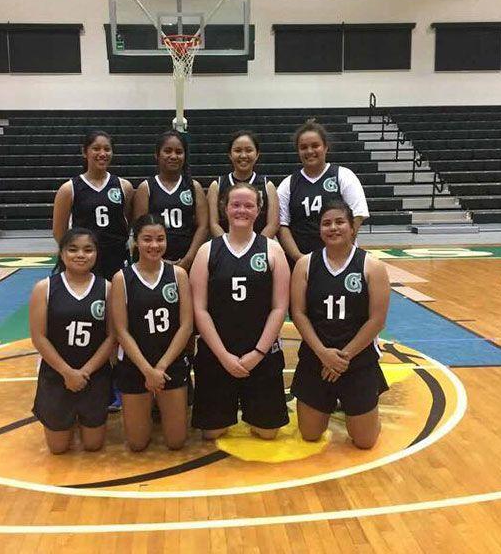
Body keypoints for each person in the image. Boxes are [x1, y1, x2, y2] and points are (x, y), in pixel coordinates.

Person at [189, 182, 291, 440]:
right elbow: (199, 309)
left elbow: (280, 307)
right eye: (236, 205)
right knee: (212, 433)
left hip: (260, 352)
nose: (242, 210)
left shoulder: (272, 250)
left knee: (268, 433)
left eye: (249, 205)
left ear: (258, 210)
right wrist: (223, 356)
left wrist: (258, 353)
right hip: (217, 353)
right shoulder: (208, 251)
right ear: (225, 209)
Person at [289, 199, 390, 449]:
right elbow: (298, 313)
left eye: (339, 222)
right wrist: (323, 354)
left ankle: (367, 414)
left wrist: (342, 358)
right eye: (326, 223)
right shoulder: (305, 264)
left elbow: (377, 320)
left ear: (352, 227)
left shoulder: (372, 266)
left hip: (357, 360)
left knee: (365, 442)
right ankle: (334, 404)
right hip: (316, 357)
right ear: (319, 229)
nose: (333, 228)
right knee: (310, 434)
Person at [28, 228, 116, 454]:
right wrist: (68, 373)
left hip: (94, 375)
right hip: (56, 374)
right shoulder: (44, 288)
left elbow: (112, 336)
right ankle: (68, 418)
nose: (81, 255)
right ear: (62, 253)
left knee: (93, 445)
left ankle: (81, 418)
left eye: (88, 250)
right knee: (58, 449)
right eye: (73, 249)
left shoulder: (106, 288)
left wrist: (84, 372)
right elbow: (39, 337)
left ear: (96, 254)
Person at [110, 214, 193, 451]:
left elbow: (186, 325)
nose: (154, 245)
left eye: (160, 239)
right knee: (137, 444)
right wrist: (147, 370)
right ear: (135, 241)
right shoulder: (122, 279)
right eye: (147, 239)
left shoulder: (178, 275)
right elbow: (121, 331)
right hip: (136, 365)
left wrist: (161, 368)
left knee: (176, 442)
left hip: (171, 363)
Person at [277, 120, 370, 265]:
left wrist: (339, 253)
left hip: (342, 259)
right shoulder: (287, 184)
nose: (309, 151)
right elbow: (282, 226)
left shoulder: (344, 176)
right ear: (298, 150)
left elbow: (357, 216)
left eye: (315, 146)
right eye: (303, 147)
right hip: (300, 261)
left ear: (325, 147)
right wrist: (299, 258)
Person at [52, 131, 134, 281]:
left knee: (117, 302)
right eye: (96, 148)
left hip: (116, 258)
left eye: (107, 149)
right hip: (86, 260)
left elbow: (126, 223)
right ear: (85, 152)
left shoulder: (124, 186)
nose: (102, 153)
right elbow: (59, 232)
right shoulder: (69, 189)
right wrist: (79, 253)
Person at [132, 130, 208, 271]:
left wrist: (188, 259)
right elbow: (140, 228)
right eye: (167, 151)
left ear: (185, 156)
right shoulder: (146, 188)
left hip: (187, 260)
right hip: (153, 260)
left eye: (179, 152)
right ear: (157, 154)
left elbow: (203, 226)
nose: (173, 156)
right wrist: (157, 260)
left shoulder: (193, 187)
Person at [207, 130, 279, 238]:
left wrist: (256, 247)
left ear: (257, 154)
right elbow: (213, 224)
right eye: (237, 150)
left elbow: (273, 224)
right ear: (230, 154)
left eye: (249, 150)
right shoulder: (217, 186)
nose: (243, 155)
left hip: (259, 249)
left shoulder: (267, 186)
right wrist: (227, 247)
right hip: (225, 250)